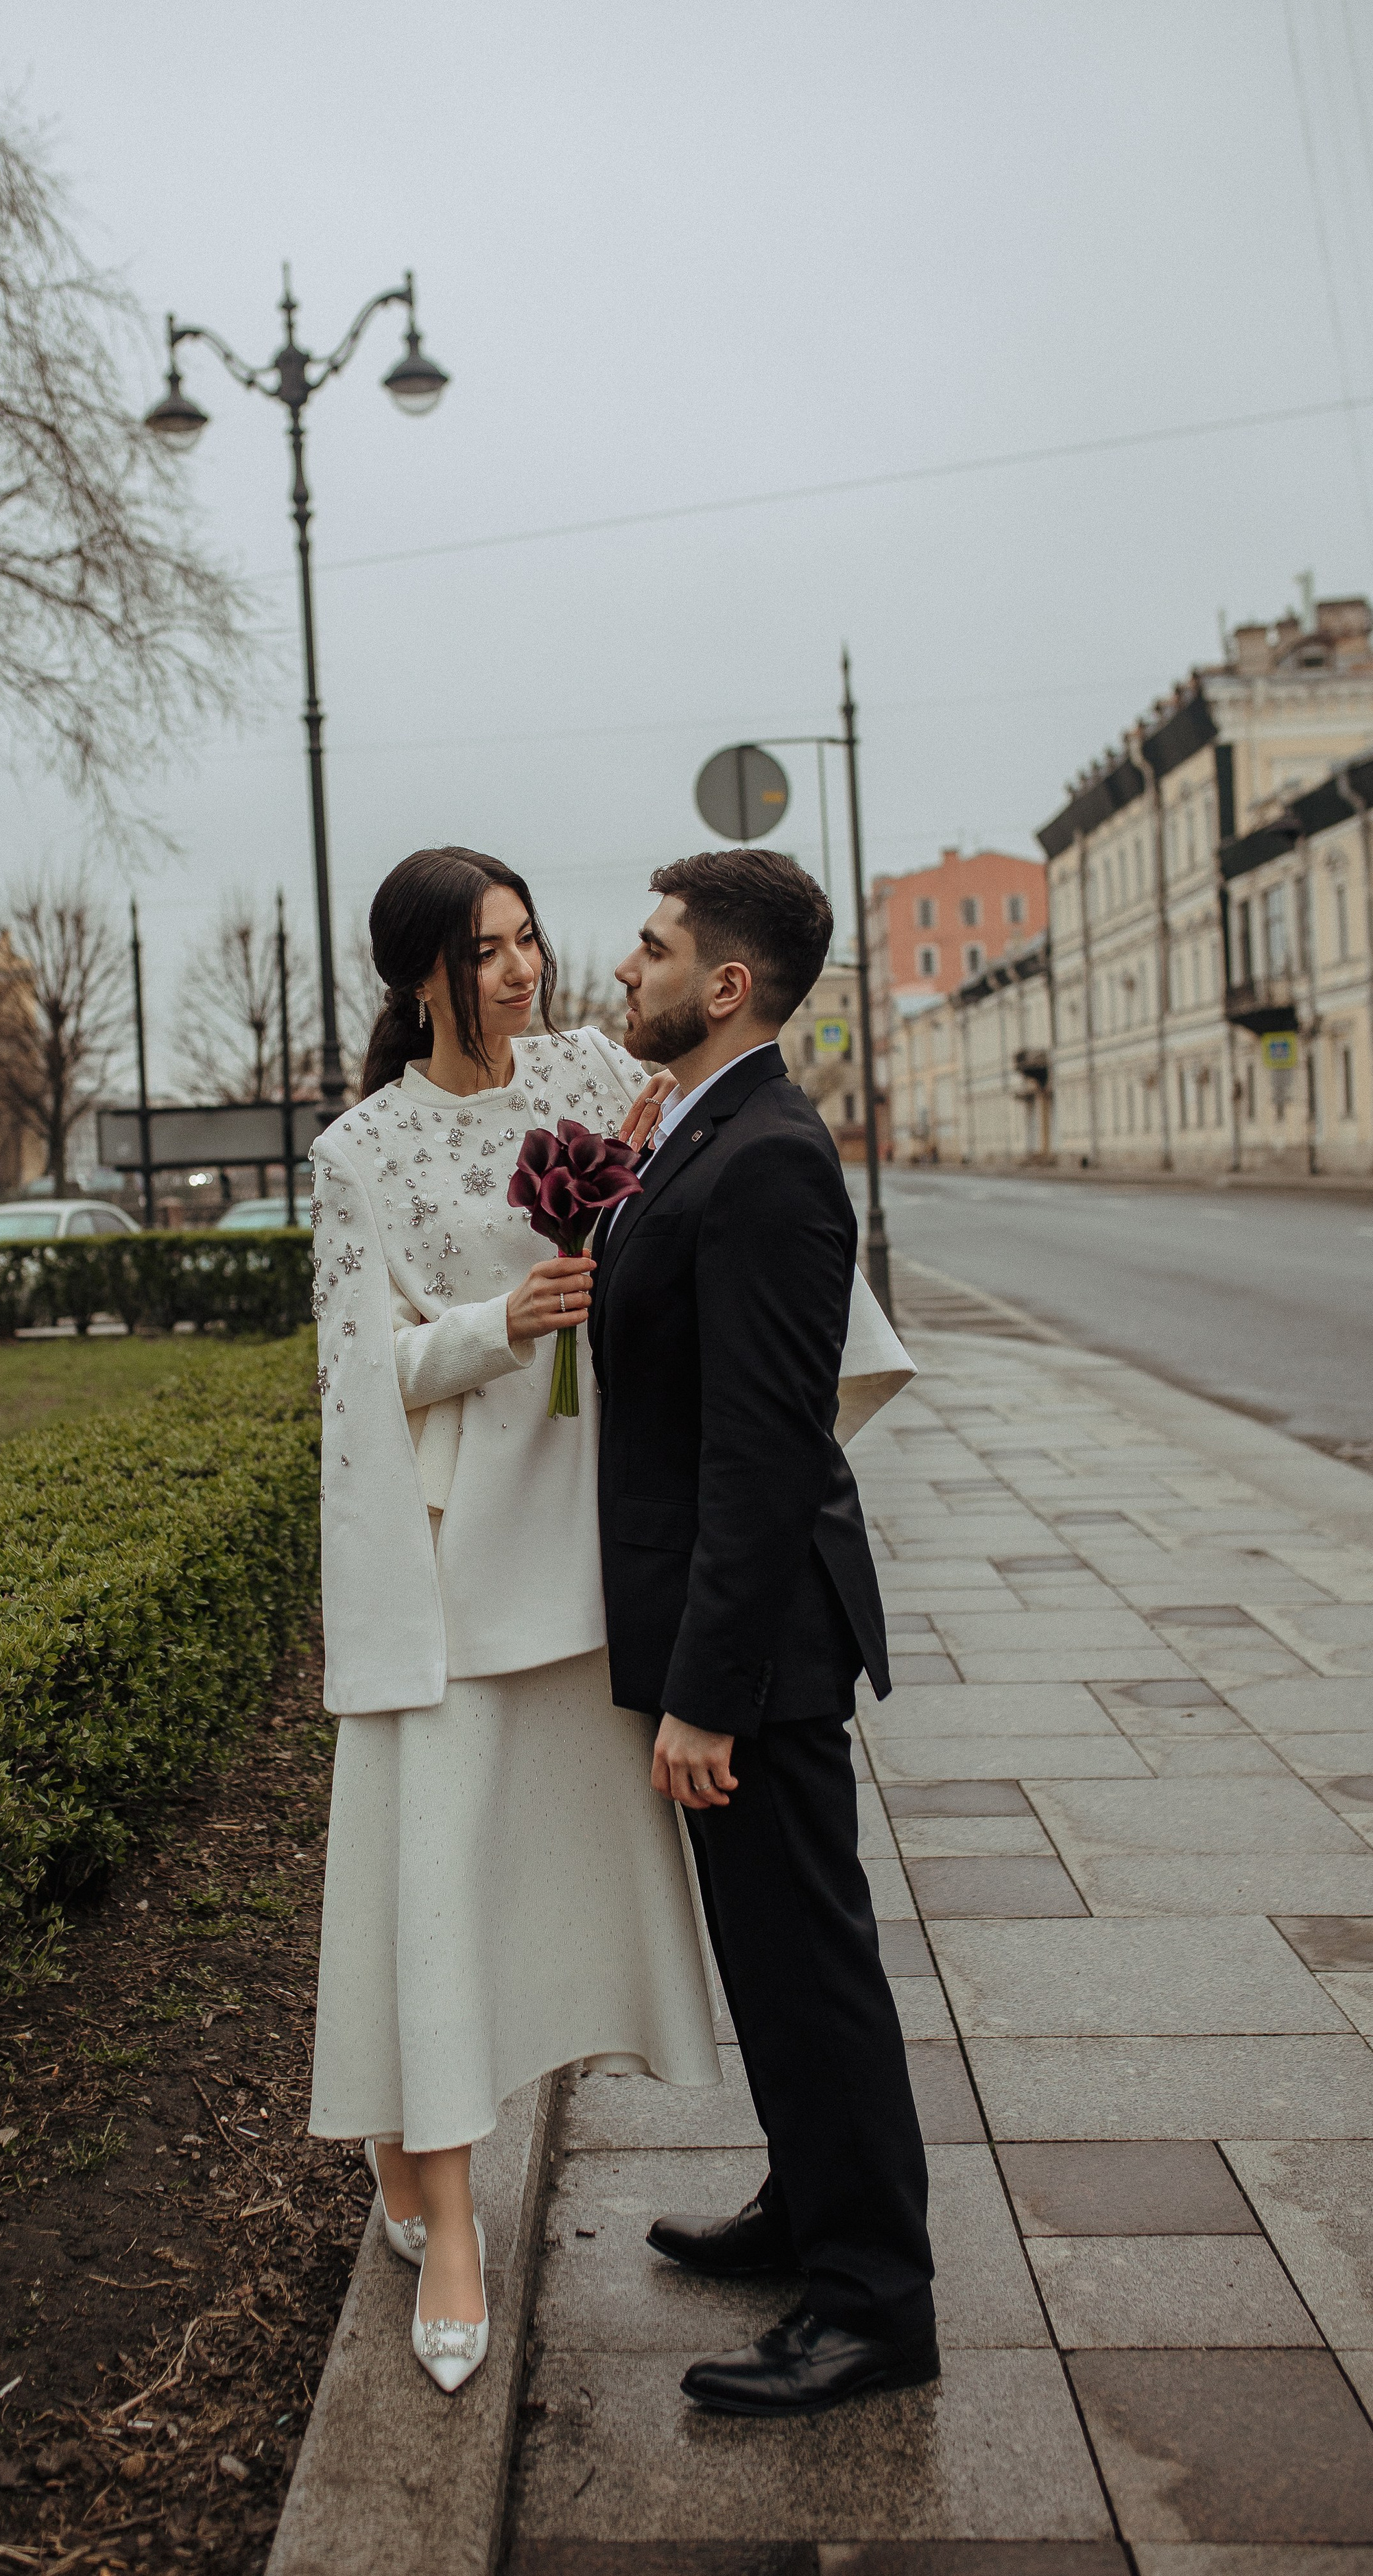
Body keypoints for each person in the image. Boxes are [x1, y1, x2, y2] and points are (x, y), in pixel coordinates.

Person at [307, 846, 723, 2396]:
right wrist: (500, 1323)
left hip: (593, 1545)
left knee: (551, 1871)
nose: (520, 967)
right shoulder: (362, 1147)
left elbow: (689, 1152)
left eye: (528, 937)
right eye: (487, 948)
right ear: (421, 969)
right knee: (437, 1875)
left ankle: (394, 2137)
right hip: (464, 1567)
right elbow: (359, 1374)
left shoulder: (584, 1065)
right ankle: (448, 2221)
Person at [590, 845, 938, 2420]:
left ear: (724, 984)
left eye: (649, 948)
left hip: (762, 1651)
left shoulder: (771, 1159)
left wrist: (705, 1697)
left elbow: (766, 1449)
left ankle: (871, 2302)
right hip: (733, 1636)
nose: (621, 969)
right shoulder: (702, 1129)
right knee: (777, 1960)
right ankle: (809, 2205)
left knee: (809, 1966)